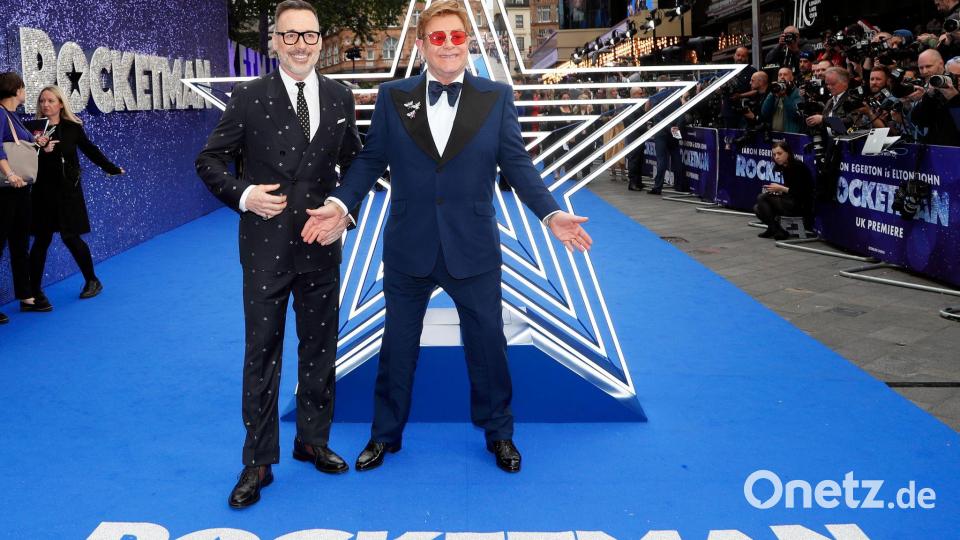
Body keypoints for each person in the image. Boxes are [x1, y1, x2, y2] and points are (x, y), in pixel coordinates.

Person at [300, 0, 592, 474]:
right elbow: (371, 161)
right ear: (422, 46)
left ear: (468, 42)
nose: (449, 45)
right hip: (408, 247)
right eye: (438, 38)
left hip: (472, 246)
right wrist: (339, 203)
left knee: (488, 347)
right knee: (398, 348)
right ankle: (384, 436)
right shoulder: (394, 97)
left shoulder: (496, 97)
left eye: (457, 37)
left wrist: (551, 214)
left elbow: (517, 165)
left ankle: (499, 434)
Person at [195, 0, 362, 509]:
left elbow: (357, 163)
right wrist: (244, 196)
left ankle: (313, 439)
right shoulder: (248, 98)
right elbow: (210, 160)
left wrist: (343, 211)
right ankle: (258, 461)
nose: (300, 45)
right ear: (275, 43)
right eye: (289, 36)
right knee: (261, 353)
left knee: (320, 348)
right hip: (264, 249)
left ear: (319, 39)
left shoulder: (339, 97)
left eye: (309, 35)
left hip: (319, 247)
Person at [29, 85, 124, 303]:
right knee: (41, 240)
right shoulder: (33, 129)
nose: (45, 104)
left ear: (60, 103)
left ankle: (92, 280)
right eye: (42, 101)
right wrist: (41, 150)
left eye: (51, 101)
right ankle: (33, 291)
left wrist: (110, 168)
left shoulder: (73, 127)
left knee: (71, 237)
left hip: (67, 192)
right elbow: (26, 159)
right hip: (42, 193)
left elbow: (90, 150)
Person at [0, 71, 51, 324]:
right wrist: (9, 174)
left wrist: (40, 141)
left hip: (22, 190)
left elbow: (26, 140)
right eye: (23, 87)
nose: (25, 91)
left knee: (20, 244)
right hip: (5, 191)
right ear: (16, 90)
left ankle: (26, 296)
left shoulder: (13, 117)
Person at [754, 141, 814, 240]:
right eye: (774, 154)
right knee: (757, 208)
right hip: (791, 200)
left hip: (802, 204)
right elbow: (790, 190)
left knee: (762, 197)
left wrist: (781, 188)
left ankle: (774, 229)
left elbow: (801, 193)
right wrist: (779, 191)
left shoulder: (798, 167)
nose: (776, 157)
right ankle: (776, 229)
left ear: (788, 153)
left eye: (779, 153)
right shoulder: (784, 166)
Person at [761, 67, 803, 133]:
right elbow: (764, 113)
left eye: (785, 74)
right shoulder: (774, 93)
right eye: (780, 75)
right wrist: (772, 93)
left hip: (790, 135)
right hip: (774, 134)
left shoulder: (798, 93)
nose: (782, 77)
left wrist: (784, 96)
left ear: (792, 78)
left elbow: (795, 114)